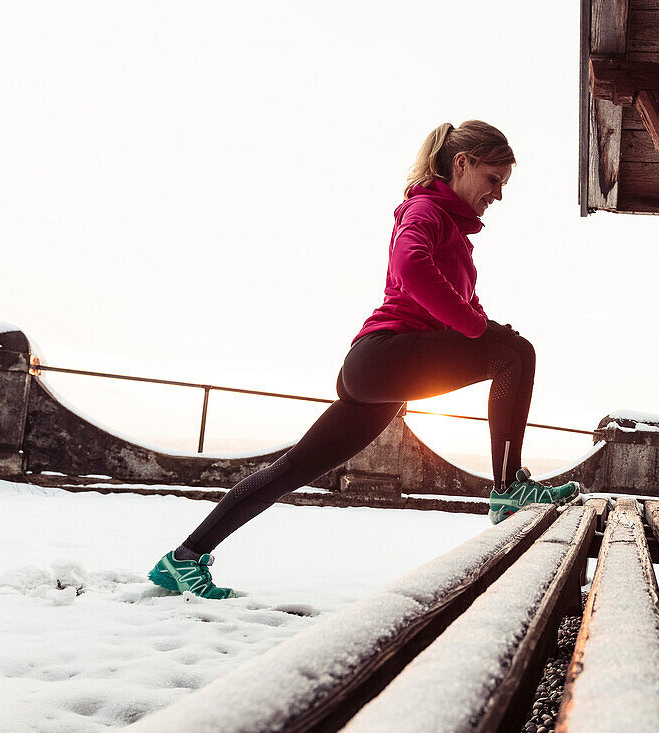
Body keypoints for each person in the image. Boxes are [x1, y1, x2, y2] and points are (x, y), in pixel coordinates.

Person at [148, 120, 579, 599]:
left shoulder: (450, 230)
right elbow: (411, 267)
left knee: (293, 469)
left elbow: (464, 310)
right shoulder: (424, 210)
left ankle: (182, 559)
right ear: (462, 164)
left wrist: (481, 324)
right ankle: (507, 487)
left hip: (377, 373)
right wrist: (480, 330)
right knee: (514, 356)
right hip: (384, 355)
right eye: (493, 179)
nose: (498, 194)